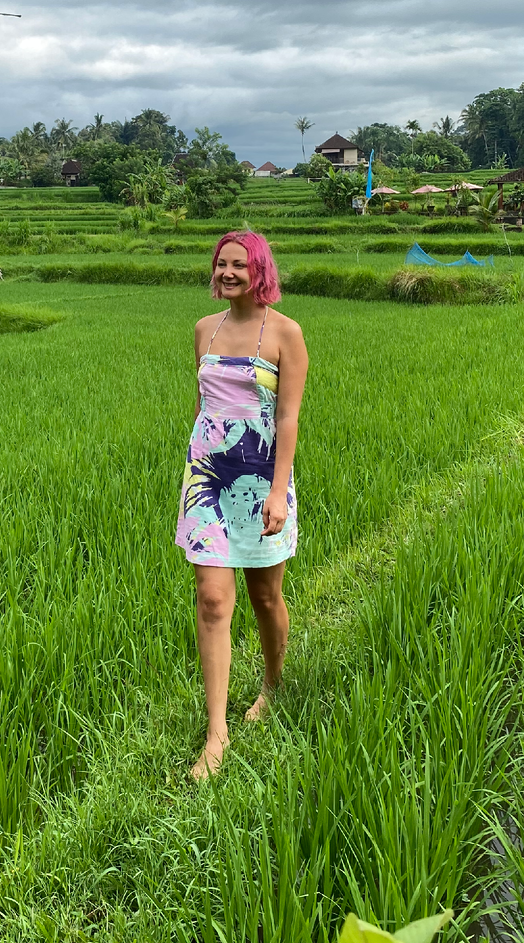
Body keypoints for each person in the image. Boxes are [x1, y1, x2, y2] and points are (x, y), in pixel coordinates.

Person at [175, 231, 308, 780]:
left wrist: (278, 491)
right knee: (211, 598)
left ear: (259, 270)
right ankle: (216, 733)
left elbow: (287, 420)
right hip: (207, 474)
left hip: (260, 479)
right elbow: (206, 406)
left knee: (265, 595)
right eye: (220, 264)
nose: (227, 272)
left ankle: (272, 688)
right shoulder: (205, 330)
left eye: (238, 264)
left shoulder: (285, 333)